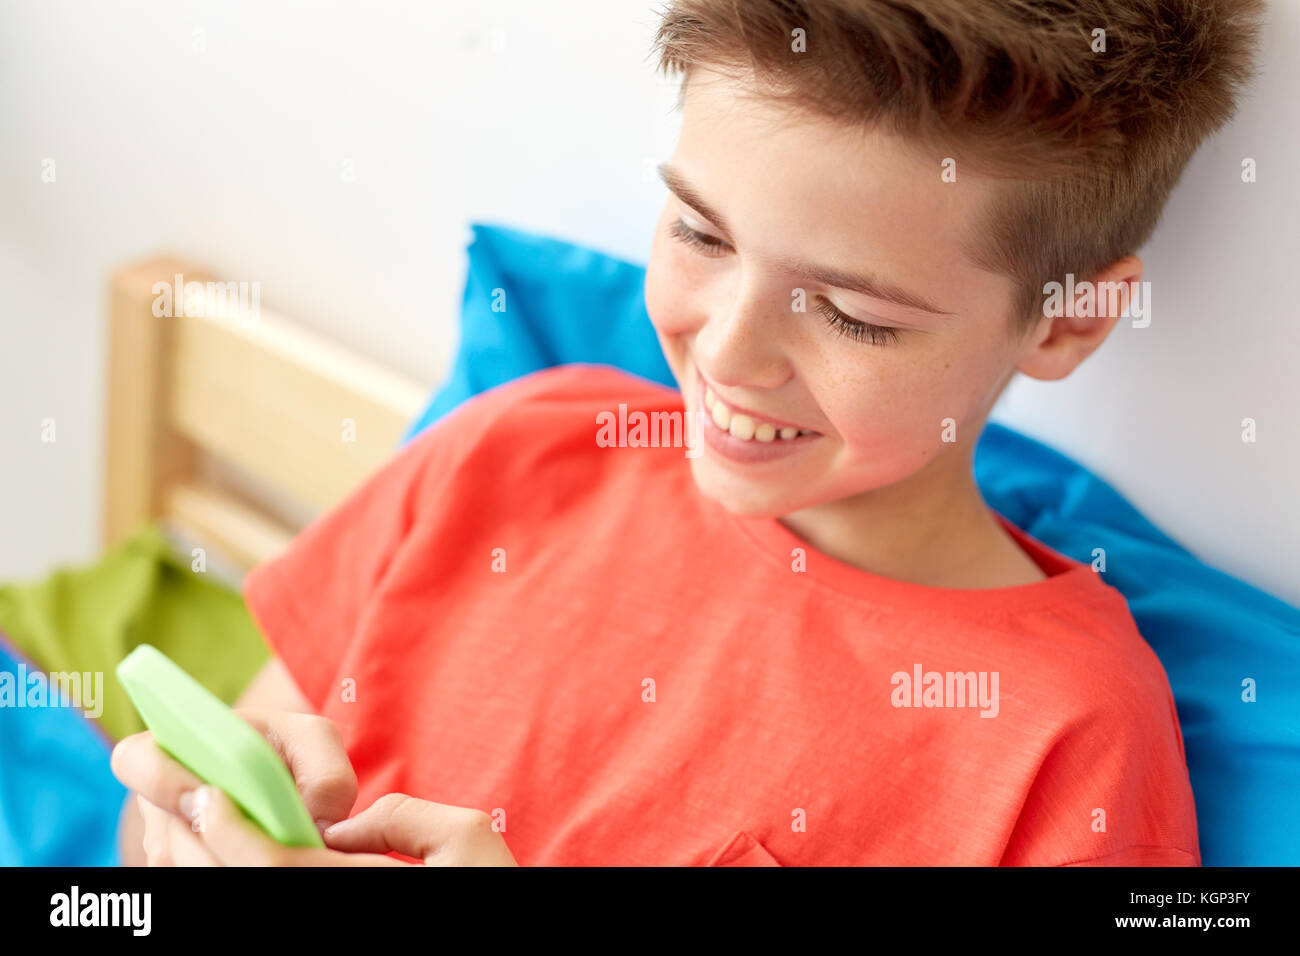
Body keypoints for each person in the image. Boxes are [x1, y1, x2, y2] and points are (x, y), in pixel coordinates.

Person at [113, 0, 1263, 865]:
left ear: (1066, 319)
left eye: (852, 314)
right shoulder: (509, 450)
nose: (725, 354)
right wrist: (187, 833)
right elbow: (161, 820)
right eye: (701, 237)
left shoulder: (1064, 742)